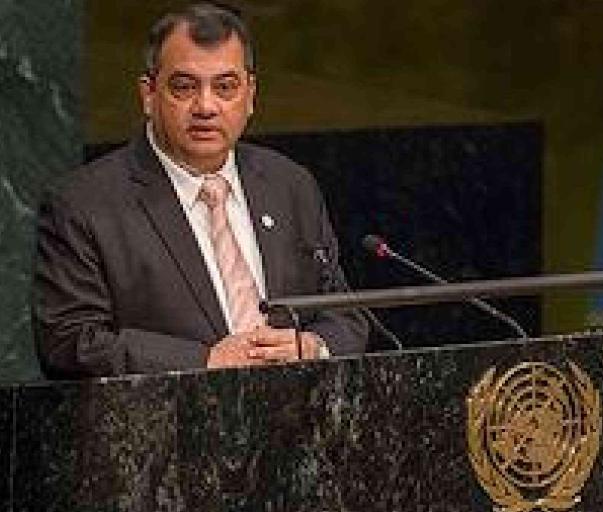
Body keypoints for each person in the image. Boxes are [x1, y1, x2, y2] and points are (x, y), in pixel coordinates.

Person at [33, 2, 367, 379]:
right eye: (184, 87)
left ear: (250, 95)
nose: (206, 106)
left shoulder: (289, 185)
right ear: (148, 94)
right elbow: (69, 342)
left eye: (225, 87)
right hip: (166, 415)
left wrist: (312, 345)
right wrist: (204, 361)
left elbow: (346, 315)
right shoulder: (84, 204)